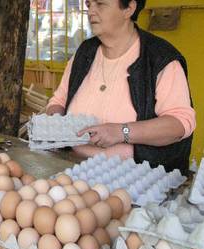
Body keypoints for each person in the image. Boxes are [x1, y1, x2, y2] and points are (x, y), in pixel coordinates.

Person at [46, 0, 195, 174]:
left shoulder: (159, 58)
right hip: (74, 168)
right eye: (88, 5)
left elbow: (179, 124)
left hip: (135, 178)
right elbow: (58, 101)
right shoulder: (84, 53)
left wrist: (122, 131)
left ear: (129, 9)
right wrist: (57, 125)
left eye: (100, 4)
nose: (91, 11)